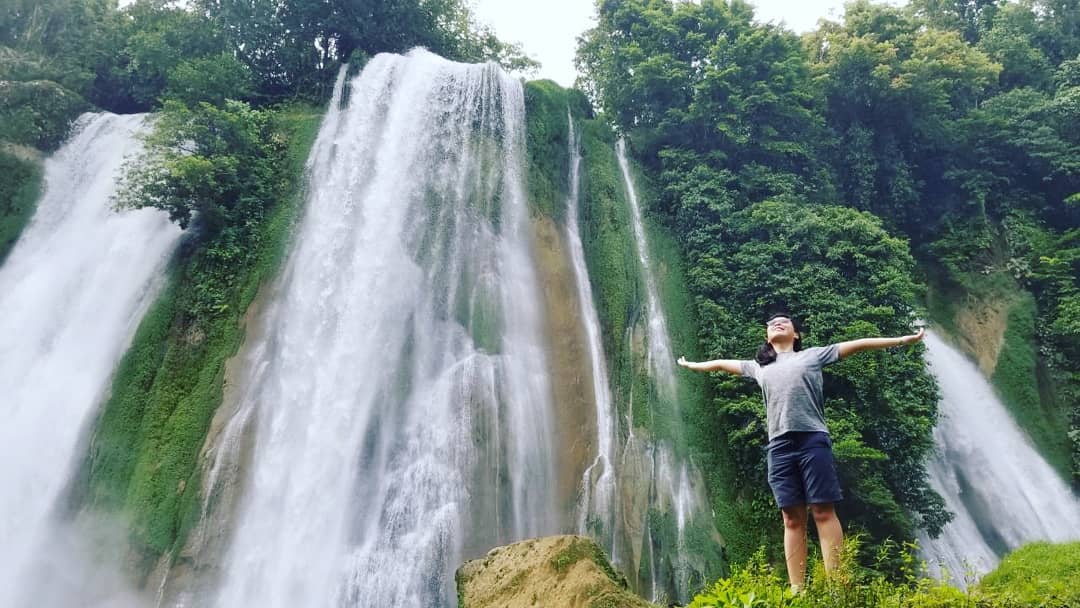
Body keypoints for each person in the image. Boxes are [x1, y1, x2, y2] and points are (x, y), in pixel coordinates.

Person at [676, 312, 924, 592]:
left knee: (822, 510)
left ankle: (837, 587)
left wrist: (903, 339)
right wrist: (692, 365)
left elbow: (859, 343)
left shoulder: (813, 356)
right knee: (791, 518)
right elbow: (721, 365)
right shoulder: (758, 367)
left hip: (812, 439)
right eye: (771, 324)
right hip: (779, 445)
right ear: (766, 337)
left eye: (784, 321)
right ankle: (798, 589)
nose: (777, 323)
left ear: (796, 334)